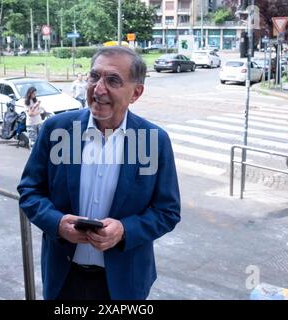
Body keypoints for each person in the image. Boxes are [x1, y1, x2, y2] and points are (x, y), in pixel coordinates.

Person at [18, 46, 181, 300]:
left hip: (124, 284)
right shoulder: (56, 129)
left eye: (113, 80)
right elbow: (30, 191)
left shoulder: (153, 141)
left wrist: (125, 230)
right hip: (64, 278)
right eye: (94, 77)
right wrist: (58, 224)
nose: (99, 89)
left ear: (136, 93)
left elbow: (167, 211)